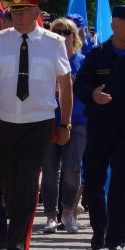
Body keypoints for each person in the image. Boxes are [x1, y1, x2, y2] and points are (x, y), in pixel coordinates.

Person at [0, 0, 72, 250]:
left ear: (36, 11)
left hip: (39, 122)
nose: (17, 16)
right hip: (4, 121)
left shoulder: (53, 44)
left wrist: (64, 124)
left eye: (24, 10)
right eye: (14, 11)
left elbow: (65, 85)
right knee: (9, 182)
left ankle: (17, 241)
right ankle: (15, 230)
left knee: (28, 179)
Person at [75, 4, 125, 250]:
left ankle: (117, 237)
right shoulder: (97, 55)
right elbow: (80, 84)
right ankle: (100, 230)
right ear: (113, 24)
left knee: (123, 183)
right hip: (99, 127)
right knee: (94, 180)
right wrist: (92, 94)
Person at [40, 17, 87, 234]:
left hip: (77, 122)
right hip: (49, 120)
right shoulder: (45, 60)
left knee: (71, 170)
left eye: (68, 32)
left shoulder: (82, 61)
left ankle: (68, 212)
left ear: (75, 36)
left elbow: (88, 92)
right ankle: (51, 216)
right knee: (50, 172)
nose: (63, 35)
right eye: (58, 31)